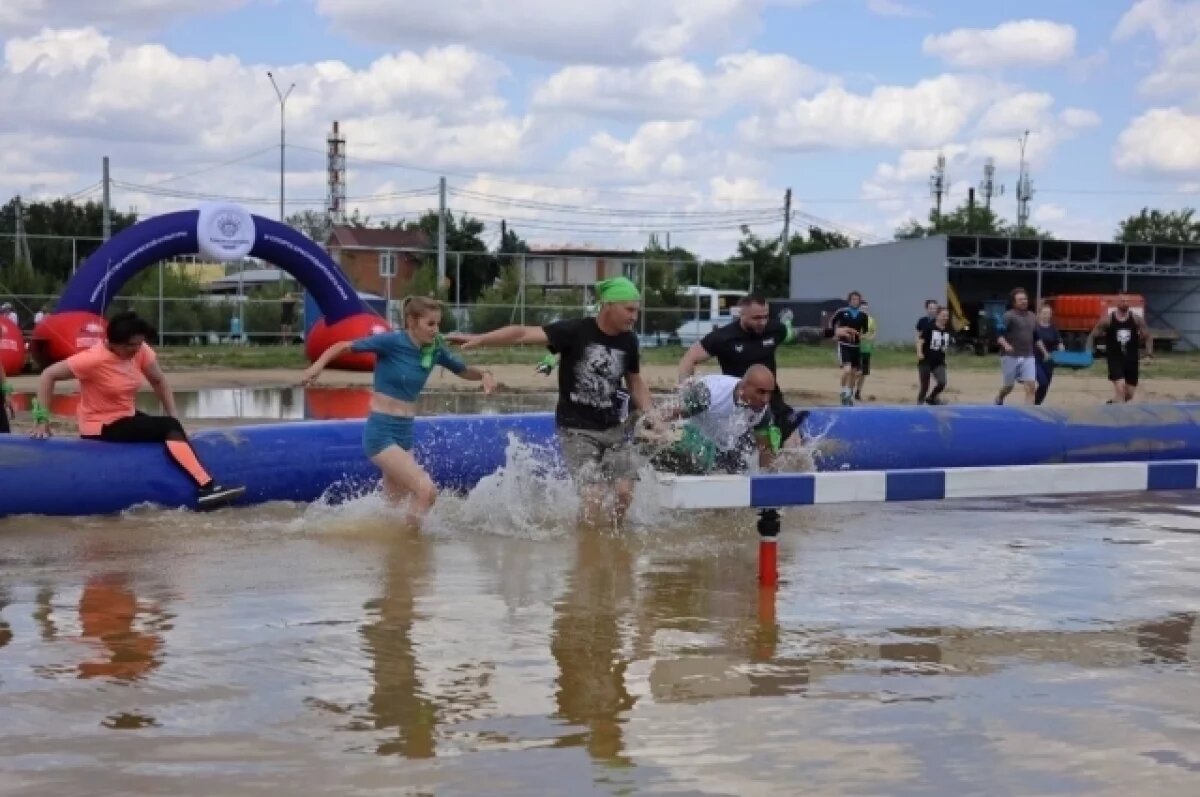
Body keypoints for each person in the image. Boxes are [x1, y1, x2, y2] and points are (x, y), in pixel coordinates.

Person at [448, 277, 653, 527]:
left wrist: (651, 414)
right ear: (608, 305)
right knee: (593, 495)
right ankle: (586, 550)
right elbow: (522, 332)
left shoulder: (629, 341)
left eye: (637, 310)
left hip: (614, 429)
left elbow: (635, 382)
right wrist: (481, 338)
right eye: (629, 309)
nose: (635, 316)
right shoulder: (575, 331)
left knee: (624, 492)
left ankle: (614, 541)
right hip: (577, 430)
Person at [301, 296, 497, 526]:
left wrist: (484, 374)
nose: (436, 330)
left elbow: (462, 370)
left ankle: (393, 552)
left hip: (404, 434)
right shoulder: (392, 341)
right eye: (430, 324)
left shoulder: (435, 350)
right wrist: (317, 367)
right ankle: (412, 548)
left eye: (438, 324)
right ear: (412, 322)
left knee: (392, 509)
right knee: (426, 491)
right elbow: (343, 346)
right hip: (381, 433)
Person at [30, 310, 245, 510]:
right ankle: (207, 487)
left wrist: (174, 417)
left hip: (126, 416)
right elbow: (48, 375)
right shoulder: (93, 359)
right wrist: (42, 419)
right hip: (101, 427)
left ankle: (195, 475)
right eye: (131, 346)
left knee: (170, 425)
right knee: (167, 427)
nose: (136, 349)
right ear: (114, 343)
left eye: (140, 344)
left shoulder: (140, 351)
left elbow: (158, 381)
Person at [676, 293, 806, 448]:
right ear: (741, 314)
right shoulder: (723, 337)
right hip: (743, 407)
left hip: (773, 402)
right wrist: (686, 392)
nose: (762, 322)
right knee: (752, 451)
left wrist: (830, 333)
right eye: (756, 318)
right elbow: (689, 359)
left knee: (795, 449)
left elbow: (799, 334)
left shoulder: (774, 329)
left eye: (766, 316)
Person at [641, 366, 777, 475]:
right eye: (761, 392)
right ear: (743, 387)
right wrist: (649, 431)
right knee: (697, 452)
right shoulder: (709, 394)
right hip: (691, 434)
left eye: (770, 393)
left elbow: (765, 452)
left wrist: (770, 482)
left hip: (721, 443)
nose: (765, 399)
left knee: (739, 464)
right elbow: (658, 417)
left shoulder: (763, 412)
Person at [1088, 293, 1152, 404]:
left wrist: (1148, 354)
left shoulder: (1136, 319)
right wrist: (1088, 352)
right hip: (1115, 359)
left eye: (1127, 301)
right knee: (1121, 389)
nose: (1125, 303)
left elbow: (1148, 336)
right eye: (1123, 301)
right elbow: (1093, 335)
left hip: (1131, 360)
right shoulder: (1108, 320)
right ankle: (1120, 417)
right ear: (1117, 303)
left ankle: (1112, 404)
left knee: (1129, 394)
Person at [995, 288, 1038, 405]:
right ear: (1014, 303)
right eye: (1020, 300)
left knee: (1031, 386)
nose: (1024, 301)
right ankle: (1000, 397)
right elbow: (998, 335)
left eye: (1025, 299)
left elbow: (1037, 336)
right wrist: (1006, 345)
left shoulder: (1032, 316)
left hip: (1028, 355)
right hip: (1010, 355)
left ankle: (1028, 413)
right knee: (1009, 386)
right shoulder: (1008, 316)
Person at [828, 291, 869, 406]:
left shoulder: (863, 315)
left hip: (856, 346)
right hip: (844, 344)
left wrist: (863, 336)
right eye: (853, 299)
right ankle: (843, 391)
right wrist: (834, 333)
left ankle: (849, 394)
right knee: (847, 370)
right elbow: (832, 321)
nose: (855, 301)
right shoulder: (842, 312)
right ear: (849, 300)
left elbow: (865, 331)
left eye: (857, 299)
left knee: (854, 373)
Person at [917, 306, 952, 405]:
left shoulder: (947, 330)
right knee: (924, 386)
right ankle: (919, 403)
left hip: (939, 361)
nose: (945, 318)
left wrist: (945, 358)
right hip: (926, 360)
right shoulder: (929, 328)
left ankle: (932, 398)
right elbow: (920, 341)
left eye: (947, 316)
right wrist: (919, 353)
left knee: (942, 382)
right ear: (937, 316)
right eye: (943, 315)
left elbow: (944, 347)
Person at [1033, 304, 1064, 406]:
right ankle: (1034, 404)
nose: (1047, 315)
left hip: (1049, 361)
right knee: (1043, 382)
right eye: (1044, 313)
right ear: (1039, 314)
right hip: (1036, 360)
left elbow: (1058, 341)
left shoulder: (1053, 328)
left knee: (1045, 386)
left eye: (1049, 313)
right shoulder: (1035, 328)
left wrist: (1061, 347)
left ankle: (1036, 404)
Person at [855, 299, 877, 401]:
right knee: (857, 372)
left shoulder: (871, 320)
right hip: (855, 349)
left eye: (866, 309)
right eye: (862, 309)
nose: (864, 311)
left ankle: (858, 392)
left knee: (864, 373)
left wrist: (870, 338)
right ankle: (849, 388)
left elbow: (874, 333)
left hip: (866, 349)